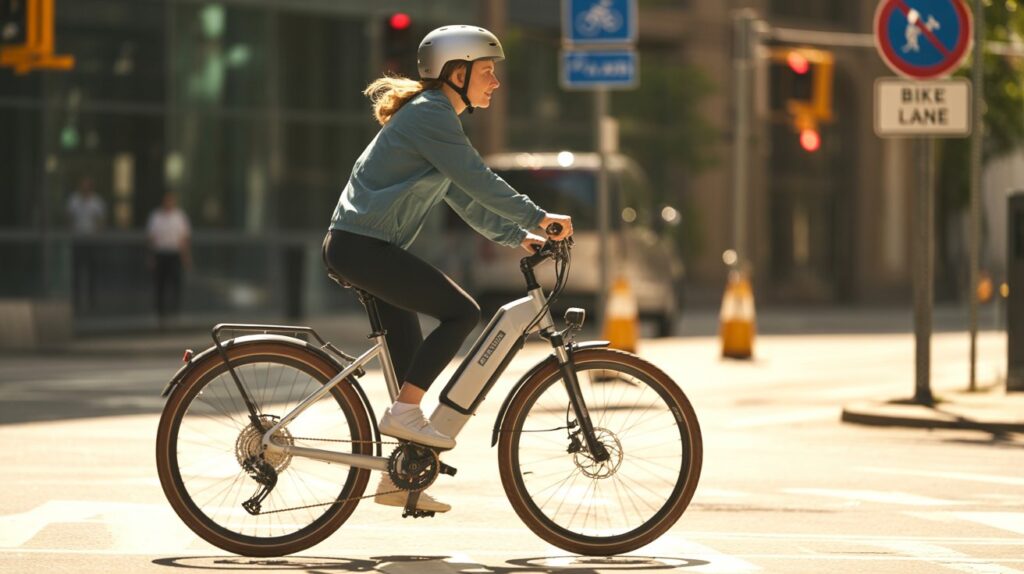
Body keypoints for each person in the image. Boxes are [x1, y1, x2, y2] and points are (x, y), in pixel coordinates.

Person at [322, 25, 573, 513]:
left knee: (411, 365)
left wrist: (516, 235)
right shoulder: (430, 114)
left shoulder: (435, 119)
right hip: (363, 248)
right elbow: (478, 178)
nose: (495, 82)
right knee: (461, 313)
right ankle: (405, 414)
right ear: (456, 74)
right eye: (487, 71)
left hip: (365, 247)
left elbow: (462, 194)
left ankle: (398, 480)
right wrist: (537, 216)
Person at [147, 192, 192, 325]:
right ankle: (160, 313)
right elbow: (151, 237)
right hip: (161, 253)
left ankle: (175, 312)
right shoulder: (156, 216)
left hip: (174, 254)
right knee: (160, 284)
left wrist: (185, 256)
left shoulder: (180, 216)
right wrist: (151, 256)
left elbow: (184, 238)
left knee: (176, 284)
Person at [66, 177, 106, 312]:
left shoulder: (97, 202)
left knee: (92, 271)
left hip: (91, 241)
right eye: (83, 186)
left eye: (87, 186)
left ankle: (92, 300)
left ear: (91, 188)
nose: (85, 189)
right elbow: (69, 218)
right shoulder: (74, 200)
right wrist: (72, 232)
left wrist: (97, 234)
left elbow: (101, 220)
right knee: (76, 271)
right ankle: (76, 300)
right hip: (78, 240)